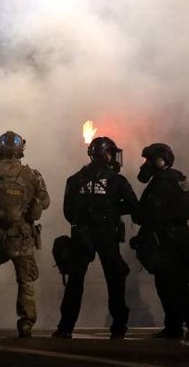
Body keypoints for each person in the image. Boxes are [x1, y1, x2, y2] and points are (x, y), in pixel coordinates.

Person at [53, 136, 137, 340]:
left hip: (82, 235)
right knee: (115, 280)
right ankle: (118, 327)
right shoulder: (117, 180)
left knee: (75, 281)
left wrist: (83, 223)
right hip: (107, 234)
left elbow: (68, 211)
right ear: (106, 154)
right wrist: (113, 211)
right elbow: (133, 205)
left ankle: (65, 328)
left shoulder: (75, 179)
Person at [0, 131, 50, 338]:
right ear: (20, 149)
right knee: (26, 282)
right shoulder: (32, 175)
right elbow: (45, 201)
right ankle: (26, 324)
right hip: (22, 237)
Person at [131, 143, 189, 340]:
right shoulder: (178, 178)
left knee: (171, 285)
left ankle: (185, 326)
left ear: (160, 161)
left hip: (166, 242)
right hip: (175, 238)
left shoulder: (162, 182)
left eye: (148, 160)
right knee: (174, 284)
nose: (145, 164)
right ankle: (180, 326)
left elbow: (145, 214)